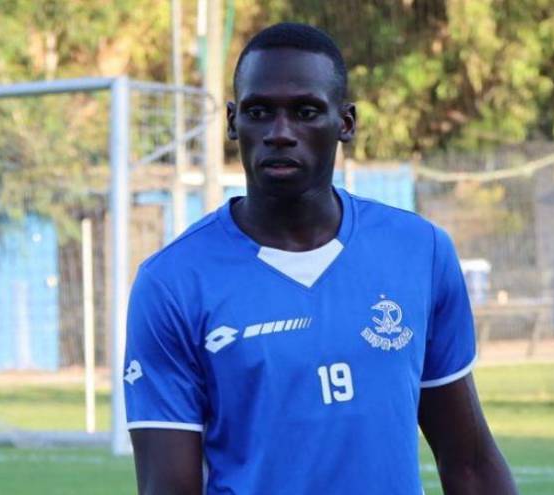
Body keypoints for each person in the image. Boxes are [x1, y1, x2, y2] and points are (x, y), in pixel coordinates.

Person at [124, 22, 518, 495]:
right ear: (232, 122)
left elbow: (470, 463)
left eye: (306, 111)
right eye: (259, 111)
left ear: (345, 123)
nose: (280, 133)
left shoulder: (420, 252)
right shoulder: (172, 282)